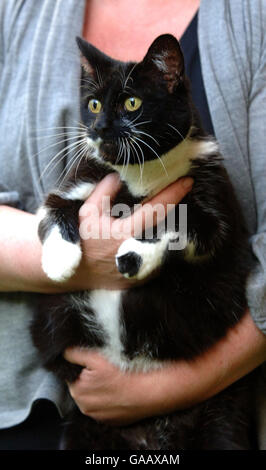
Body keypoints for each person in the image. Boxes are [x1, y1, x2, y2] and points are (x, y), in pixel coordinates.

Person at [0, 0, 265, 450]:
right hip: (38, 414)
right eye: (96, 106)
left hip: (210, 399)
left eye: (129, 105)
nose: (102, 125)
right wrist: (87, 255)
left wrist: (173, 386)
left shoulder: (252, 16)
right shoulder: (17, 10)